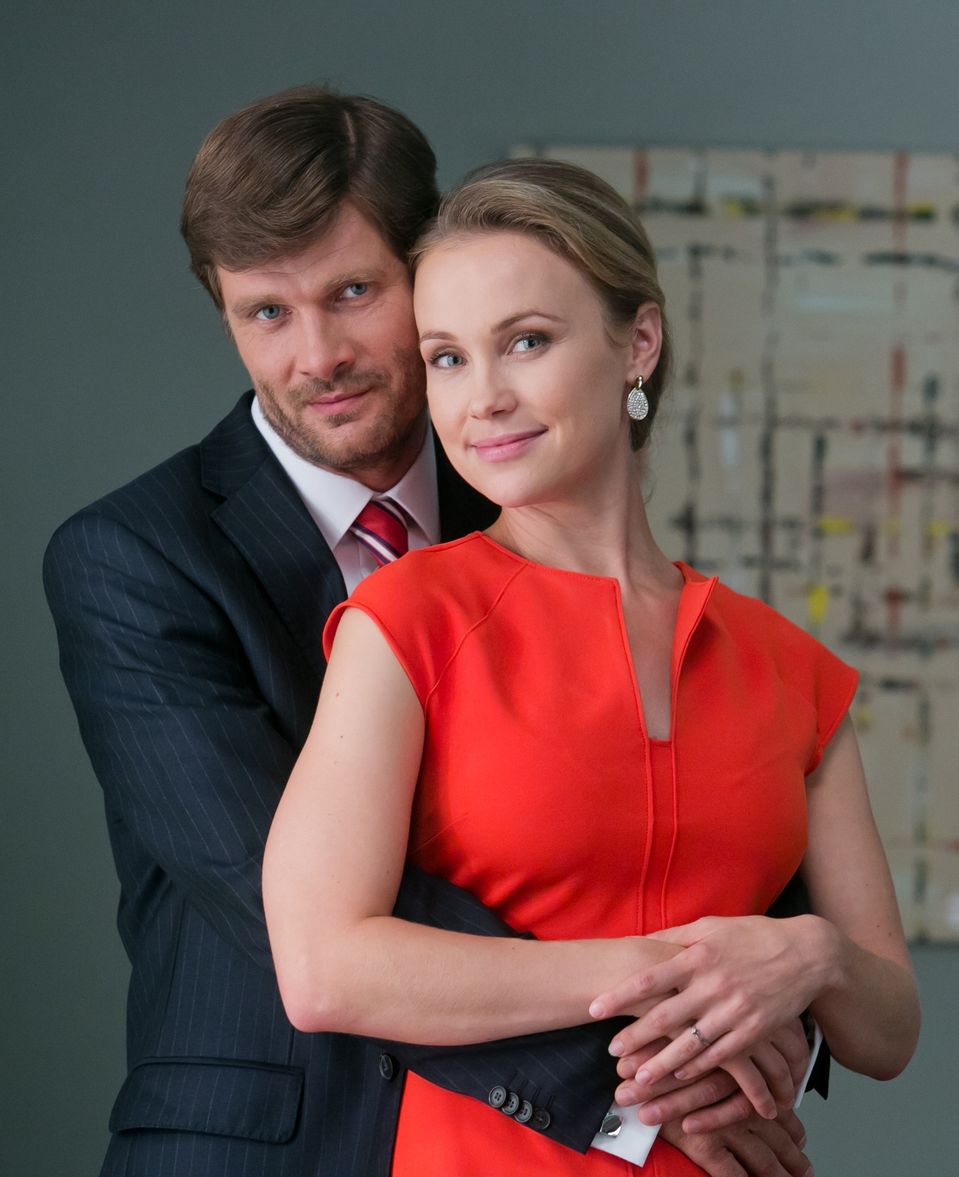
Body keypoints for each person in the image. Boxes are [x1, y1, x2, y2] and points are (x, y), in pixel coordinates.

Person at [43, 86, 808, 1177]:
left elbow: (698, 829)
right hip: (266, 1148)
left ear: (429, 271)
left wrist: (782, 980)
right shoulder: (133, 556)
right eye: (264, 313)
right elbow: (283, 900)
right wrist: (665, 1064)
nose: (316, 355)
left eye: (353, 293)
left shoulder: (532, 480)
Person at [263, 157, 920, 1176]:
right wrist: (697, 971)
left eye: (525, 341)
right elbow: (323, 967)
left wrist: (810, 954)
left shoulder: (788, 667)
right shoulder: (404, 620)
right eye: (447, 358)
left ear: (637, 343)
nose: (483, 398)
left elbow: (886, 1029)